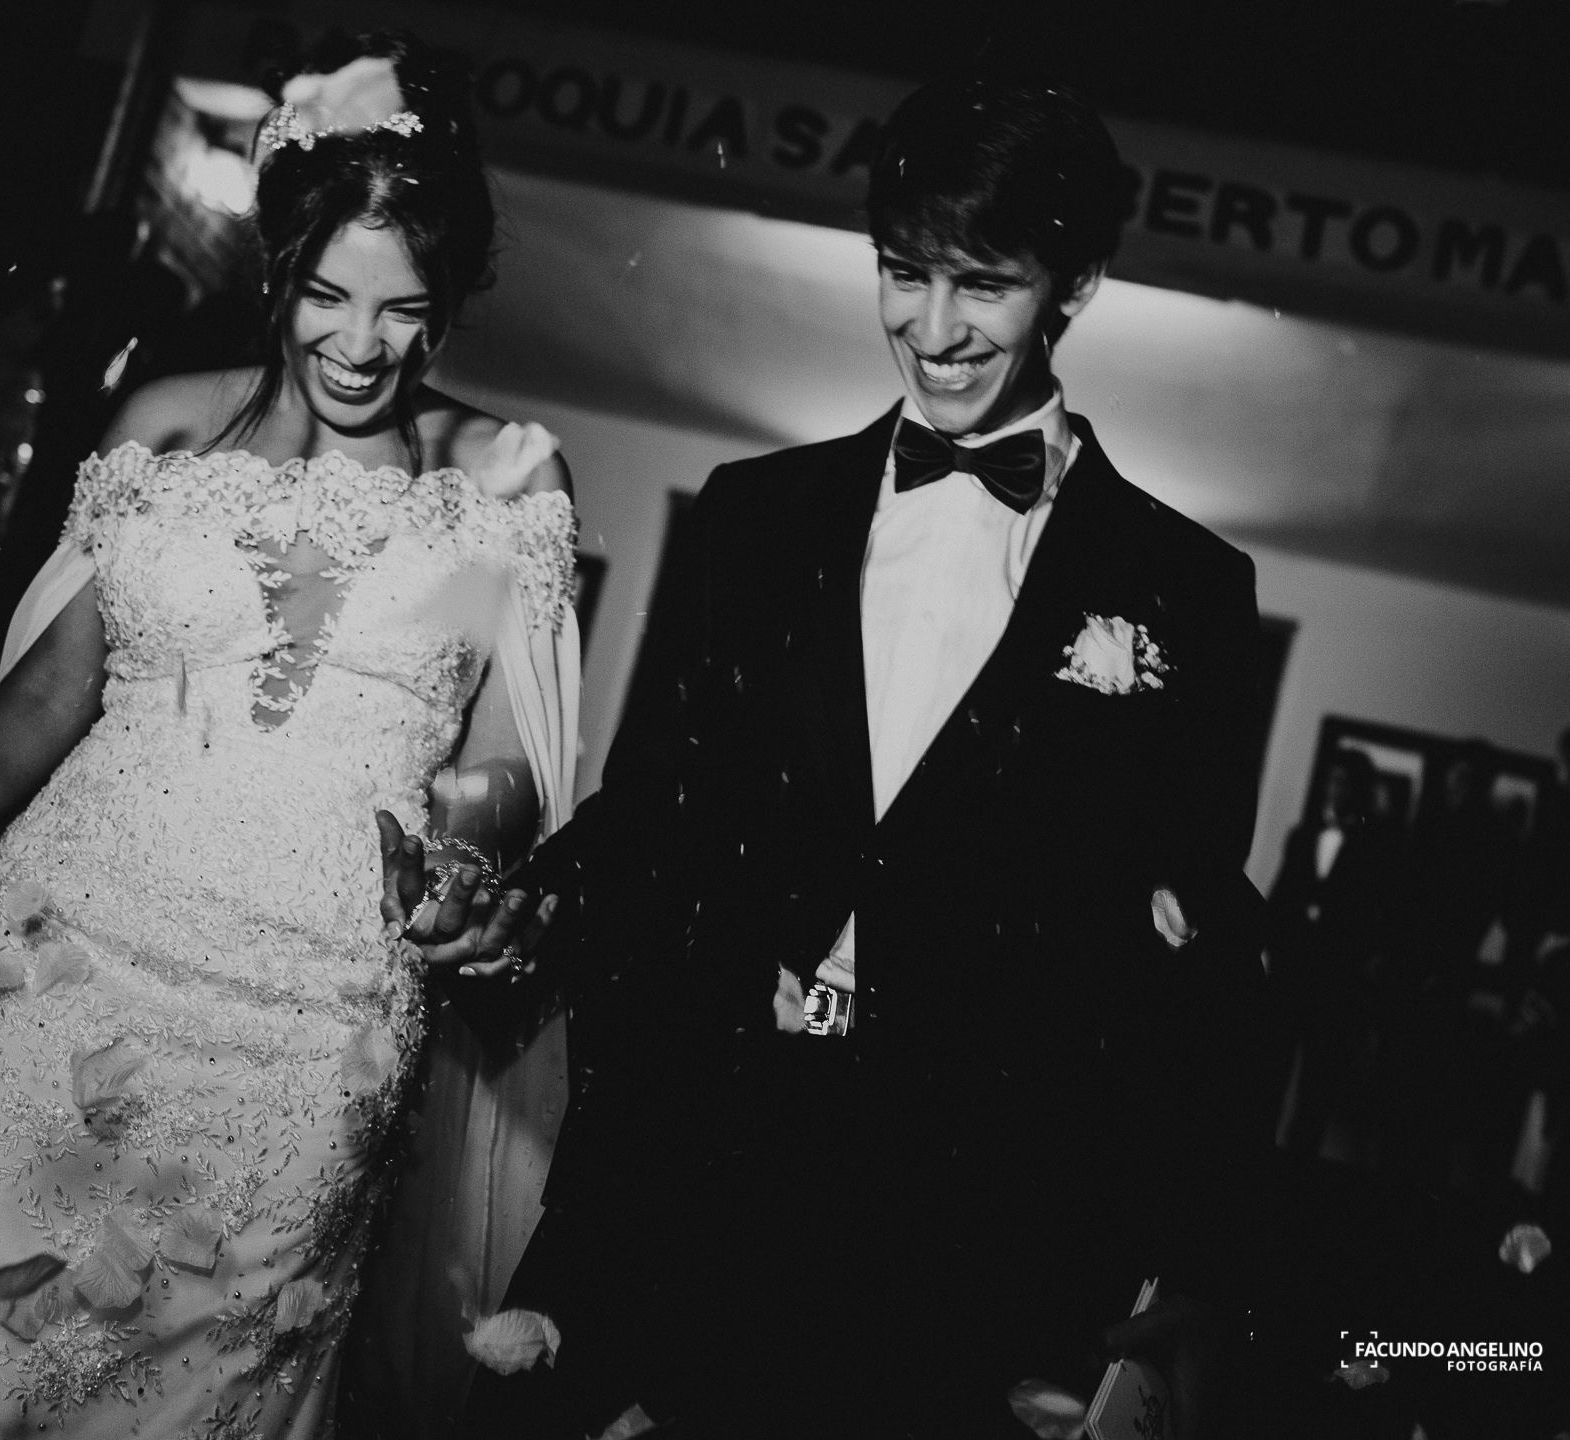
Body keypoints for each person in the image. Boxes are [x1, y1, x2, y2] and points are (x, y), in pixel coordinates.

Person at [410, 77, 1273, 1439]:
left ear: (1077, 284)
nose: (932, 329)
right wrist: (526, 910)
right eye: (903, 271)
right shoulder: (754, 516)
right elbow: (658, 810)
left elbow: (1188, 955)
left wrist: (1159, 1279)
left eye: (983, 284)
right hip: (691, 1154)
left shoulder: (1187, 591)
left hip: (960, 1230)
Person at [0, 35, 575, 1439]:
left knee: (207, 1373)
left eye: (404, 311)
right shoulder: (164, 429)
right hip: (61, 965)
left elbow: (500, 755)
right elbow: (43, 705)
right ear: (279, 270)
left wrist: (466, 852)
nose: (359, 346)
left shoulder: (495, 483)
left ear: (452, 300)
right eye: (326, 296)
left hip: (314, 1020)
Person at [1268, 748, 1393, 1162]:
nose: (1336, 789)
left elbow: (1374, 919)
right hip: (1289, 974)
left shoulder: (1374, 848)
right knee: (1271, 1070)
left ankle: (1298, 1163)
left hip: (1335, 984)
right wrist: (1273, 951)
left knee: (1317, 1084)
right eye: (1333, 780)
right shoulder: (1303, 835)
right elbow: (1281, 898)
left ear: (1358, 790)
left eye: (1346, 783)